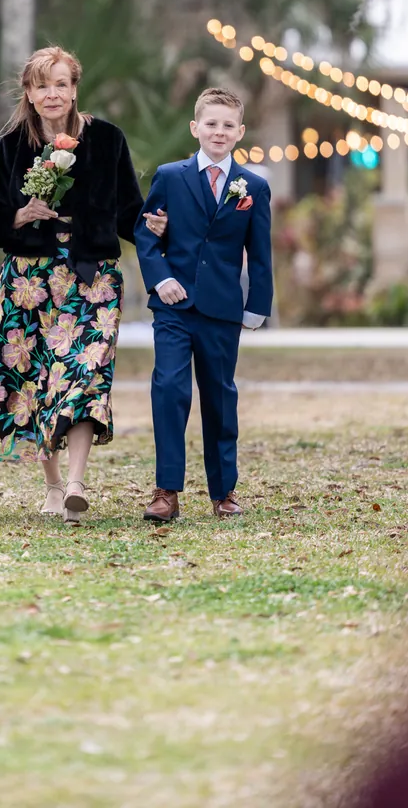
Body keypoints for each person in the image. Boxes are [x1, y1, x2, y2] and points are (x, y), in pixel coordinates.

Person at [0, 45, 144, 523]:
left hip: (93, 279)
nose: (52, 94)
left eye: (61, 84)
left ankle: (79, 484)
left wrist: (158, 229)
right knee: (40, 383)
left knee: (85, 377)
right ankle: (53, 485)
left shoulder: (107, 140)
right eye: (42, 85)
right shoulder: (12, 146)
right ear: (29, 91)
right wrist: (21, 215)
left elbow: (130, 211)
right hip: (30, 281)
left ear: (74, 88)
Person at [134, 87, 273, 522]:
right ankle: (166, 491)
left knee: (219, 396)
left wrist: (257, 306)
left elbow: (262, 253)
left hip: (221, 310)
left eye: (228, 125)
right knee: (170, 390)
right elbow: (146, 233)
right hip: (174, 308)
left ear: (240, 132)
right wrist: (161, 280)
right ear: (195, 128)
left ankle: (223, 491)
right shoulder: (170, 177)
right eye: (210, 123)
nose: (219, 131)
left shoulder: (253, 187)